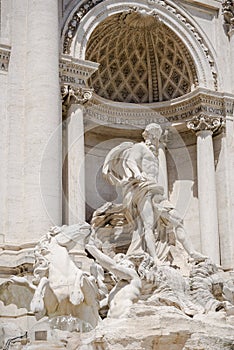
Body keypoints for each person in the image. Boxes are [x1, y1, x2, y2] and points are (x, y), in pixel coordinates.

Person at [103, 123, 206, 264]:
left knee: (177, 219)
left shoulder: (155, 153)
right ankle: (155, 259)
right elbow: (130, 161)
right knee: (148, 225)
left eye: (158, 137)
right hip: (142, 189)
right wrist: (138, 174)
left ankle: (192, 252)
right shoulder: (140, 147)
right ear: (149, 135)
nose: (156, 140)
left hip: (155, 191)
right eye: (155, 136)